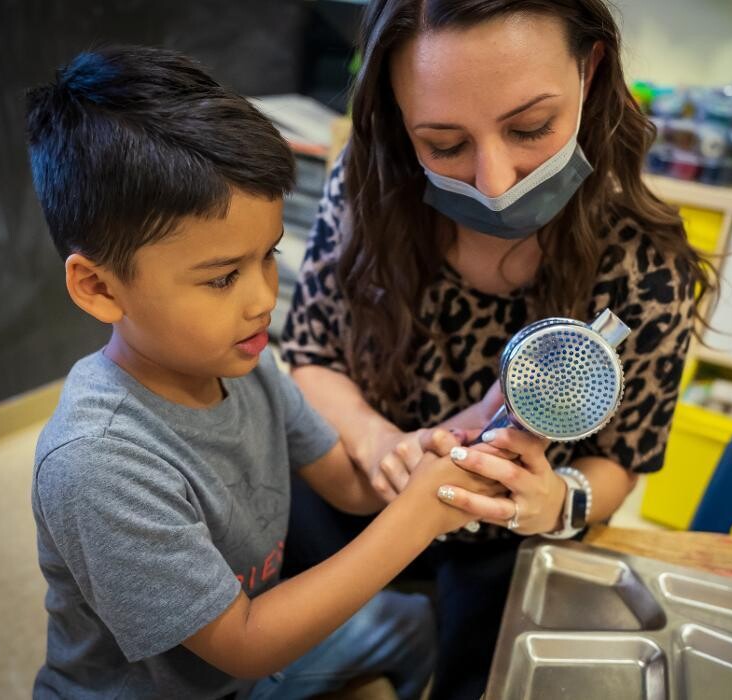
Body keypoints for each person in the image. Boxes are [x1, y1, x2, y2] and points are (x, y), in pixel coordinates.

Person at [25, 45, 497, 700]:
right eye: (221, 277)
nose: (261, 299)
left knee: (411, 626)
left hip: (243, 676)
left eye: (267, 257)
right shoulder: (97, 460)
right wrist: (418, 516)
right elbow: (243, 645)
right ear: (100, 288)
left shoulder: (244, 363)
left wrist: (443, 440)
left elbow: (351, 487)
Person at [280, 1, 715, 698]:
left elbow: (619, 460)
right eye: (444, 144)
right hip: (350, 498)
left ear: (590, 68)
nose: (494, 181)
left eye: (529, 127)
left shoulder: (642, 265)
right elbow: (310, 357)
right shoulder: (367, 190)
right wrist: (376, 441)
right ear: (397, 115)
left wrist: (554, 503)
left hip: (509, 548)